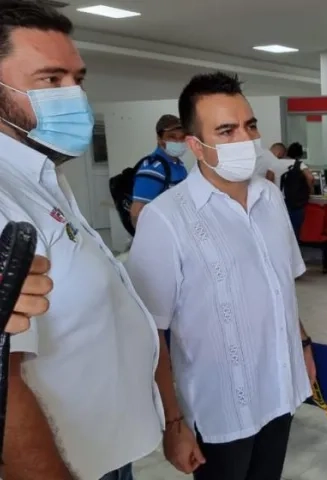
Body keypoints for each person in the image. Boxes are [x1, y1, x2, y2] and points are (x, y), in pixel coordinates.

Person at [0, 2, 163, 479]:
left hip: (100, 451)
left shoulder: (42, 175)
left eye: (78, 78)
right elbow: (4, 384)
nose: (74, 95)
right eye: (51, 80)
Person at [126, 72, 316, 480]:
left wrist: (302, 344)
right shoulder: (166, 219)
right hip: (222, 408)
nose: (245, 140)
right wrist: (173, 424)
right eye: (226, 131)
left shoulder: (270, 200)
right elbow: (150, 332)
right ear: (195, 145)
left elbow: (279, 286)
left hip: (280, 387)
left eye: (249, 126)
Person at [129, 114, 189, 226]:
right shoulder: (152, 168)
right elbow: (137, 212)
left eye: (182, 138)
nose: (178, 142)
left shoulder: (179, 166)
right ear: (159, 139)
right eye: (172, 137)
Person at [257, 141, 314, 238]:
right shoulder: (299, 164)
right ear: (299, 155)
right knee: (294, 230)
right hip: (295, 203)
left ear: (287, 152)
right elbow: (310, 177)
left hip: (278, 201)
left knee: (280, 229)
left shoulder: (274, 164)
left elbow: (268, 180)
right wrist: (310, 189)